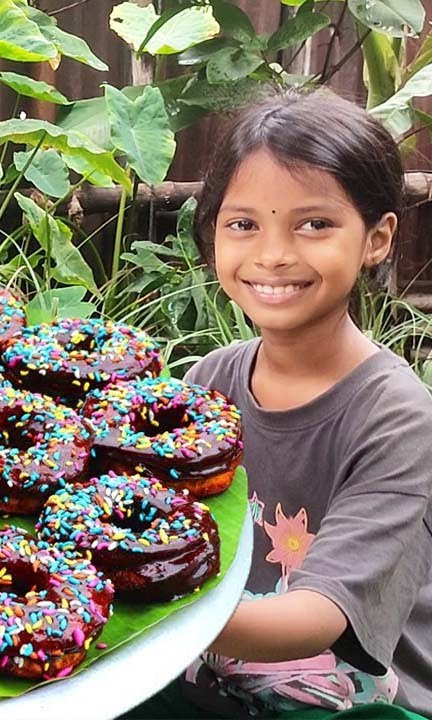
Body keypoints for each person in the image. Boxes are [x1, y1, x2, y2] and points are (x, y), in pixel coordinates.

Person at [131, 89, 432, 719]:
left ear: (376, 238)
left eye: (314, 224)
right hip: (217, 677)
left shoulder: (397, 416)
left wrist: (129, 608)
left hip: (359, 701)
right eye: (244, 224)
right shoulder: (212, 379)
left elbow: (317, 617)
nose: (273, 254)